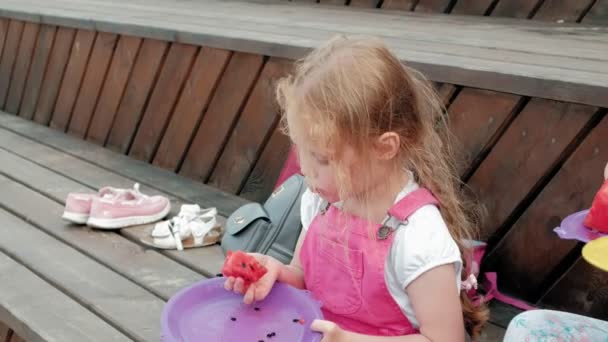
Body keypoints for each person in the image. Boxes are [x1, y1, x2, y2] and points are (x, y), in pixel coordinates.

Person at [224, 36, 488, 341]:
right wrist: (277, 272)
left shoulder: (418, 237)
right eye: (301, 151)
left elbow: (444, 340)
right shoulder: (322, 201)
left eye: (322, 158)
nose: (305, 170)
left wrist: (348, 340)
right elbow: (303, 275)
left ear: (384, 148)